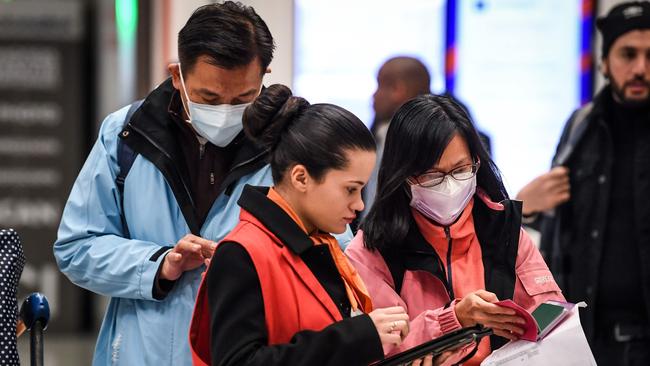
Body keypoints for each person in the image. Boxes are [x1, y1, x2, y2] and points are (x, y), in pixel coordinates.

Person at [53, 3, 347, 365]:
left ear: (264, 74)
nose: (225, 111)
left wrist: (254, 264)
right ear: (177, 75)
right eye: (209, 98)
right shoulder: (125, 134)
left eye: (243, 99)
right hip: (143, 353)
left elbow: (335, 256)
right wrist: (159, 264)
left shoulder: (291, 148)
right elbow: (77, 247)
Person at [189, 84, 410, 366]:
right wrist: (357, 337)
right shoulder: (241, 253)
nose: (359, 205)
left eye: (362, 190)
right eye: (350, 190)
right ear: (301, 178)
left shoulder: (321, 243)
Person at [346, 95, 564, 365]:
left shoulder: (504, 231)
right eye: (432, 175)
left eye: (461, 170)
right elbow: (379, 350)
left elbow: (553, 317)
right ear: (401, 175)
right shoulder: (372, 250)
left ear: (477, 163)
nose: (449, 186)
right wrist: (454, 319)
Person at [519, 2, 650, 364]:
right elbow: (555, 225)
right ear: (606, 61)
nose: (640, 68)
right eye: (628, 54)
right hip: (584, 342)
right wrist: (523, 208)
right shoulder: (580, 129)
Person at [364, 57, 491, 216]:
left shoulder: (445, 131)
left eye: (379, 86)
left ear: (398, 90)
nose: (374, 96)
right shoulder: (379, 131)